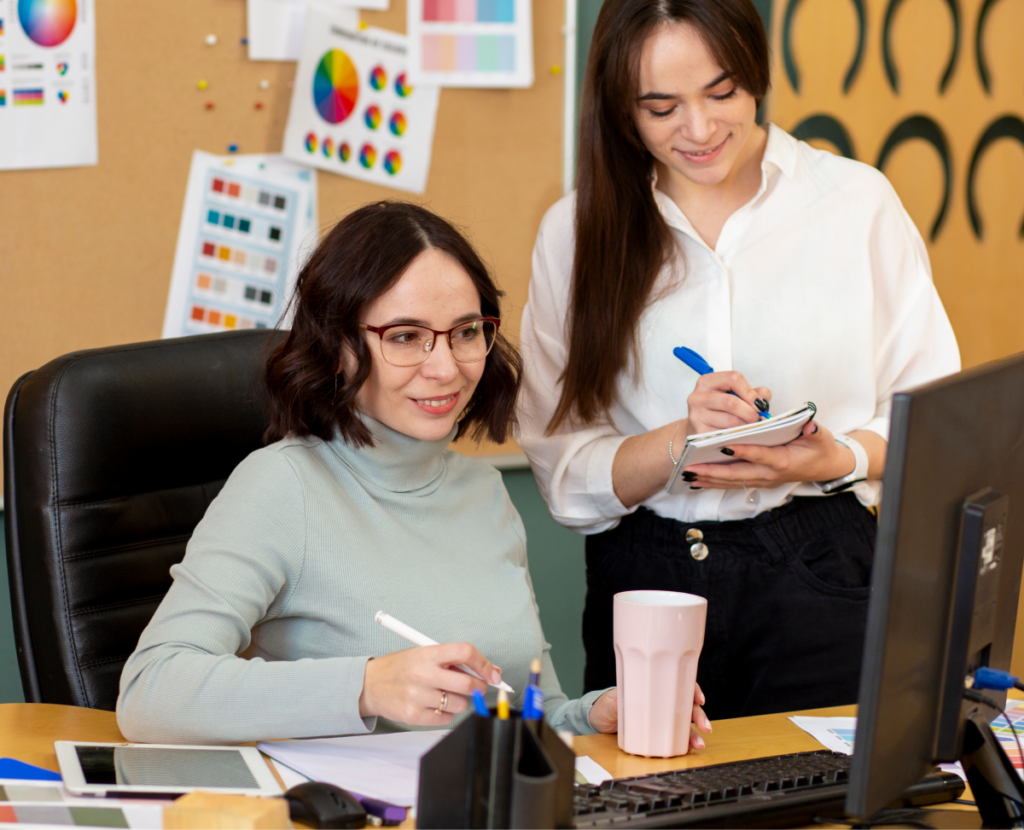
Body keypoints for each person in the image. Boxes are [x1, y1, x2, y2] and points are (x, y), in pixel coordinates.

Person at [117, 201, 709, 747]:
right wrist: (366, 686)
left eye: (466, 332)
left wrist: (591, 714)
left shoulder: (484, 493)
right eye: (405, 337)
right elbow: (150, 689)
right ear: (338, 346)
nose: (446, 367)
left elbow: (528, 711)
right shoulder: (281, 487)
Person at [517, 0, 960, 721]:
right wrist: (681, 441)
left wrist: (835, 457)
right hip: (647, 581)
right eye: (661, 108)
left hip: (822, 569)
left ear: (755, 72)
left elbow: (935, 422)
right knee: (651, 780)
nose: (698, 129)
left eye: (721, 93)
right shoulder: (575, 231)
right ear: (621, 109)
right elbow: (562, 469)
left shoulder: (856, 204)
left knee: (825, 784)